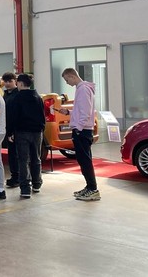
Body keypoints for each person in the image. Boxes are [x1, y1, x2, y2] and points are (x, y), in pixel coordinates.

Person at [60, 68, 100, 201]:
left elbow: (86, 112)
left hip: (82, 130)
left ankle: (93, 189)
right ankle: (89, 187)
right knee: (83, 160)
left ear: (72, 76)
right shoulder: (81, 88)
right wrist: (69, 113)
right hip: (82, 129)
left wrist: (79, 128)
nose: (67, 83)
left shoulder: (83, 89)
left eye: (67, 80)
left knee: (85, 160)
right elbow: (81, 111)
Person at [8, 74, 45, 199]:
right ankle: (37, 184)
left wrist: (10, 132)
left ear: (20, 83)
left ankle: (25, 188)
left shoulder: (17, 98)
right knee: (36, 158)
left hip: (22, 132)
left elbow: (13, 117)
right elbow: (42, 115)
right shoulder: (37, 96)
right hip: (37, 132)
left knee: (23, 160)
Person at [2, 72, 20, 188]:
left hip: (16, 129)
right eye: (6, 81)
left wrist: (13, 131)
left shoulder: (18, 95)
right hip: (7, 128)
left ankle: (18, 177)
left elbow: (17, 114)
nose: (8, 84)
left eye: (10, 81)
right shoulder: (5, 95)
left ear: (16, 81)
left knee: (17, 154)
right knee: (12, 154)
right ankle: (15, 176)